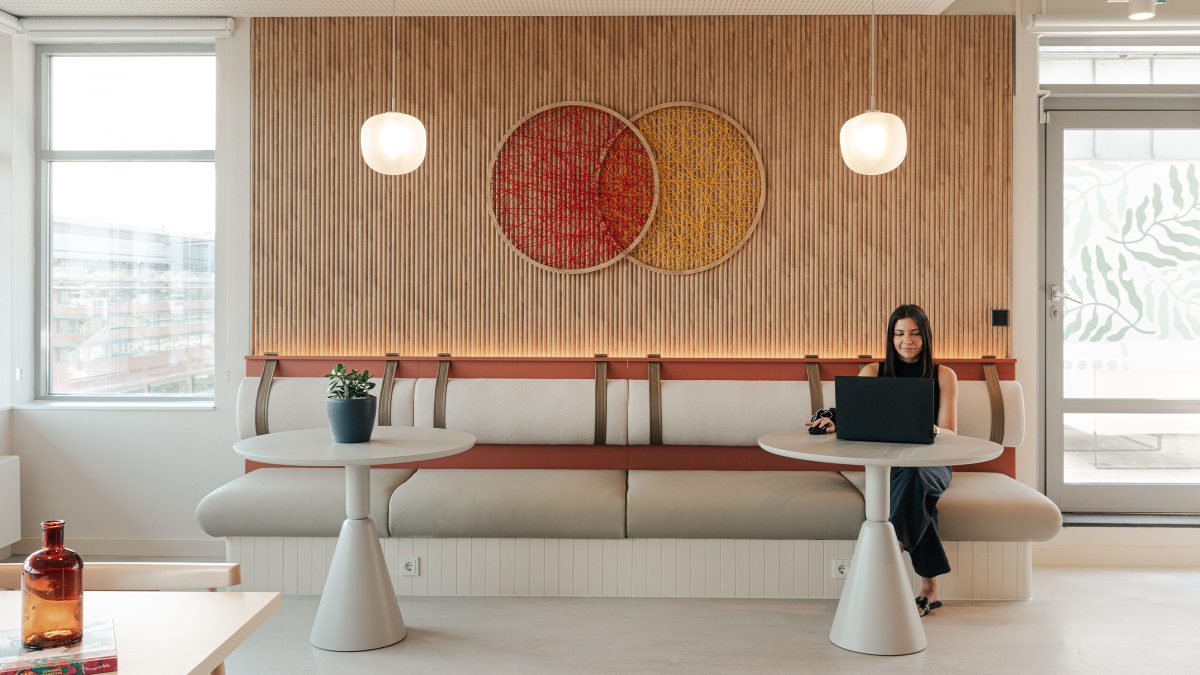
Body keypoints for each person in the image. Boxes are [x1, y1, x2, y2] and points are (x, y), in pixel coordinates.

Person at [805, 304, 958, 617]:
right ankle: (928, 589)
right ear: (890, 337)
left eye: (915, 334)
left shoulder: (944, 375)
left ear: (925, 336)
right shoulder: (873, 371)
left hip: (933, 461)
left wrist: (934, 429)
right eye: (899, 333)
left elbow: (952, 433)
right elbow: (858, 419)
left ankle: (881, 565)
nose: (907, 341)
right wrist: (835, 422)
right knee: (918, 495)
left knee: (916, 481)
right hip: (887, 464)